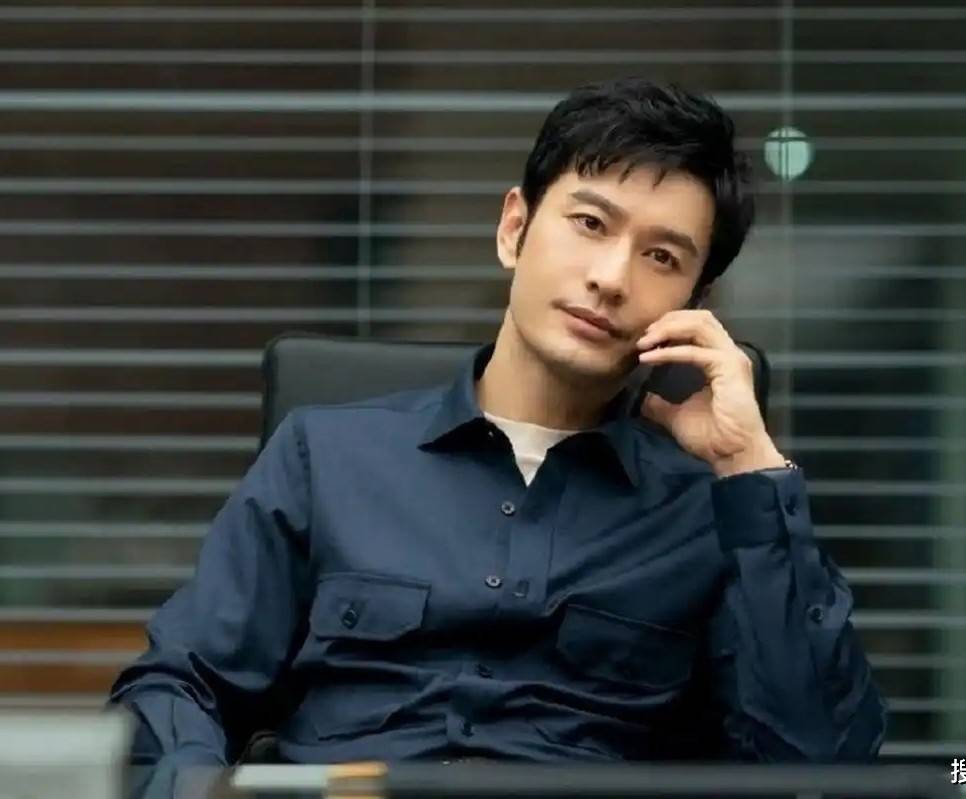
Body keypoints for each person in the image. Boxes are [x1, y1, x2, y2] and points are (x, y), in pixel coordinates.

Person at [109, 76, 887, 767]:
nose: (610, 278)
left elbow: (818, 756)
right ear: (514, 228)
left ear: (694, 303)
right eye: (590, 223)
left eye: (661, 257)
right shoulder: (326, 458)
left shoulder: (709, 514)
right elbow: (180, 683)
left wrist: (750, 465)